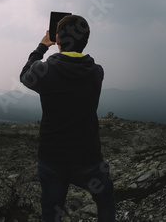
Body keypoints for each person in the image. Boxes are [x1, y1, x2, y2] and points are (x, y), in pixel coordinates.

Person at [20, 15, 116, 221]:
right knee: (106, 199)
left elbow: (25, 74)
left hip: (52, 158)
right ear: (86, 41)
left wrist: (43, 46)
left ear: (57, 39)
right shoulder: (96, 72)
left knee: (51, 213)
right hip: (88, 158)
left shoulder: (45, 71)